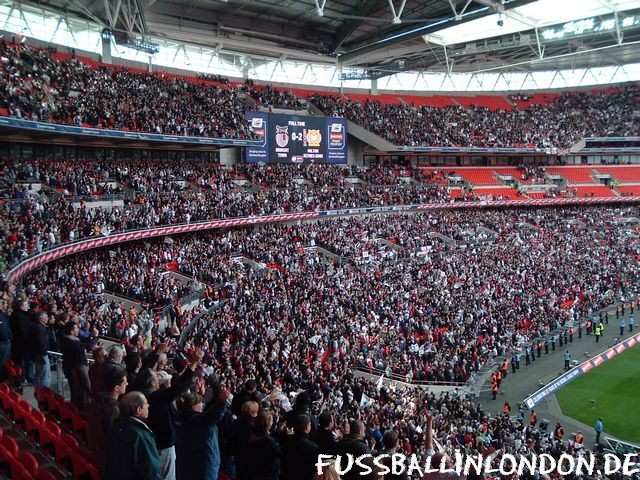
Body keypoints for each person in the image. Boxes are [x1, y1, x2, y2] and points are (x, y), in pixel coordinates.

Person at [174, 384, 229, 480]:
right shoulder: (199, 421)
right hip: (204, 464)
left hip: (186, 463)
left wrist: (201, 393)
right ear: (193, 406)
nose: (202, 405)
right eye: (200, 403)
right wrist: (222, 401)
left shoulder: (181, 419)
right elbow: (214, 415)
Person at [102, 391, 161, 480]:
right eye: (146, 403)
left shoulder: (114, 427)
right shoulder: (140, 435)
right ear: (138, 410)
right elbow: (150, 472)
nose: (148, 405)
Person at [89, 365, 128, 463]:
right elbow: (113, 439)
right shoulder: (114, 410)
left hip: (97, 453)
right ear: (116, 388)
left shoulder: (98, 401)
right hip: (107, 459)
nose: (127, 383)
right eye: (124, 382)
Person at [280, 414, 320, 480]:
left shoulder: (285, 441)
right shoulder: (313, 447)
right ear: (307, 427)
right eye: (309, 424)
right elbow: (315, 469)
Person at [247, 410, 281, 480]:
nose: (272, 423)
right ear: (267, 423)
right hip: (268, 473)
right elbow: (280, 452)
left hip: (254, 471)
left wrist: (278, 432)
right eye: (271, 421)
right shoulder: (268, 441)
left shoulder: (252, 432)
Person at [30, 312, 51, 387]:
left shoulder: (36, 326)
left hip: (36, 354)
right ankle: (43, 393)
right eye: (46, 317)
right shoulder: (40, 328)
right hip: (41, 355)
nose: (48, 318)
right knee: (44, 376)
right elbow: (41, 342)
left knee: (39, 374)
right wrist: (44, 353)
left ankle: (38, 390)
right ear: (41, 318)